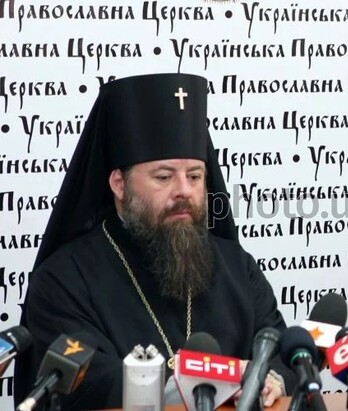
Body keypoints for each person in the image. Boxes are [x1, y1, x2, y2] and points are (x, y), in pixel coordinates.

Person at [14, 73, 296, 409]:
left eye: (194, 176)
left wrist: (272, 379)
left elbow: (281, 350)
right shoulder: (63, 280)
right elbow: (86, 382)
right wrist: (210, 382)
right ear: (119, 184)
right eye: (163, 177)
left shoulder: (236, 265)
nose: (184, 191)